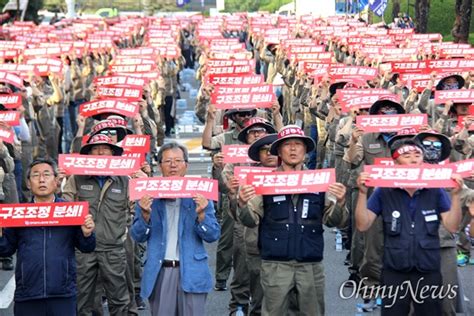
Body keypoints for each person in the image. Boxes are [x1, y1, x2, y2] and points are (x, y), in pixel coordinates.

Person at [238, 125, 348, 315]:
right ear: (279, 151)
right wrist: (241, 204)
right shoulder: (266, 182)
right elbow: (250, 220)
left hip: (311, 265)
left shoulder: (319, 181)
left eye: (298, 144)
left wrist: (340, 203)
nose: (293, 149)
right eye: (287, 145)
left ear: (305, 150)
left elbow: (333, 221)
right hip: (275, 265)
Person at [355, 137, 463, 315]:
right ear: (395, 163)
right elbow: (363, 224)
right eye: (407, 155)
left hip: (428, 269)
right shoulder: (384, 190)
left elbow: (451, 227)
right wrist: (361, 193)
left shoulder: (435, 189)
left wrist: (456, 196)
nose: (414, 159)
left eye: (418, 155)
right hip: (395, 271)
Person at [131, 142, 220, 315]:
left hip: (192, 270)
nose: (173, 165)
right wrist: (145, 215)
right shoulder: (147, 195)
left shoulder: (200, 194)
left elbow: (213, 235)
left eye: (178, 160)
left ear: (186, 165)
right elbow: (138, 236)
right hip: (160, 271)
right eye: (168, 161)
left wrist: (202, 215)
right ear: (159, 165)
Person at [0, 158, 96, 316]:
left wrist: (87, 233)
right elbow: (5, 250)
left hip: (63, 294)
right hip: (28, 295)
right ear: (29, 183)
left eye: (46, 174)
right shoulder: (18, 213)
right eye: (35, 175)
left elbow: (87, 247)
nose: (42, 179)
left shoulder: (70, 211)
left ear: (56, 181)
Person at [62, 134, 132, 315]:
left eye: (105, 148)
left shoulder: (125, 180)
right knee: (83, 300)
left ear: (113, 154)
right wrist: (58, 182)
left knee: (119, 300)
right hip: (84, 249)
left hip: (114, 249)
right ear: (89, 154)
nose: (100, 152)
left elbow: (136, 210)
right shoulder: (76, 178)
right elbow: (64, 205)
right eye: (95, 149)